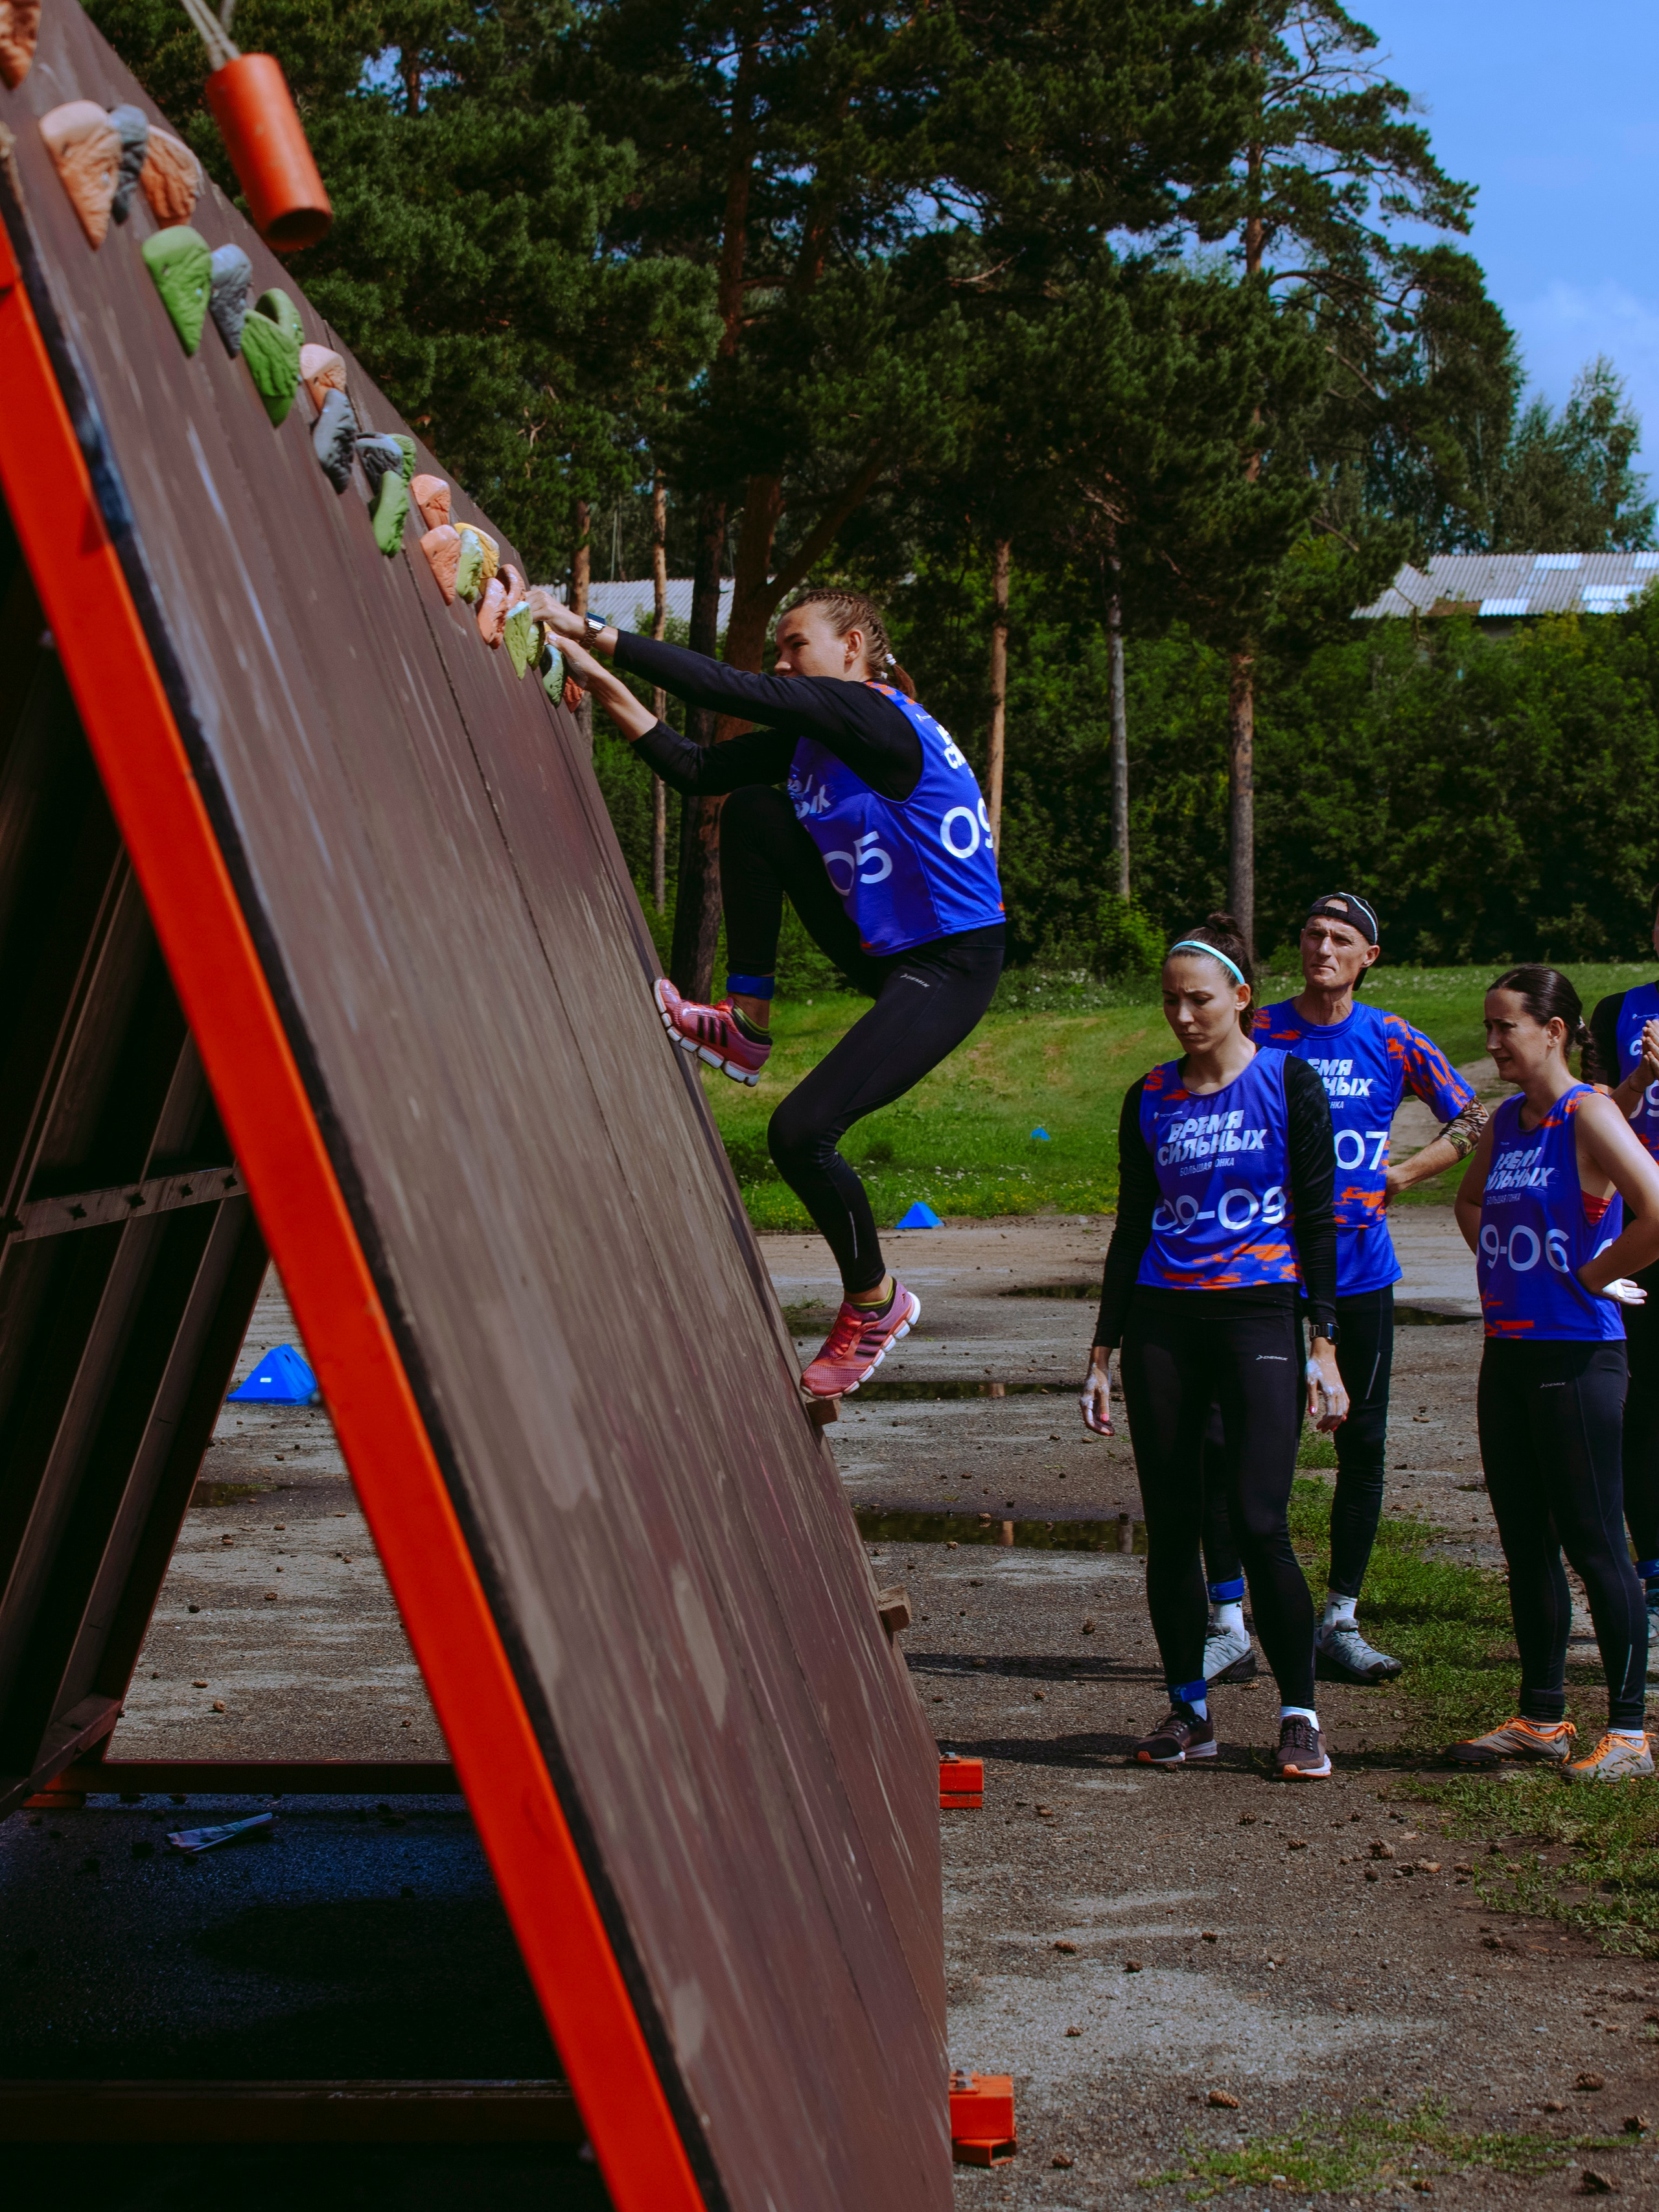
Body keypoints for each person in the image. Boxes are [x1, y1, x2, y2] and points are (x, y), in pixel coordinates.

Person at [524, 585, 1005, 1399]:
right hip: (881, 952)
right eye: (777, 651)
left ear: (852, 648)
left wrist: (594, 630)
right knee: (747, 808)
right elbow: (694, 765)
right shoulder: (816, 740)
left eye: (796, 646)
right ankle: (744, 1024)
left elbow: (728, 688)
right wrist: (587, 672)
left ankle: (876, 1302)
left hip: (950, 962)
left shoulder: (871, 715)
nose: (780, 663)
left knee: (801, 1133)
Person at [1080, 915, 1348, 1780]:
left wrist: (1325, 1341)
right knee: (1174, 1530)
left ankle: (1299, 1713)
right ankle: (1189, 1710)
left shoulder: (1287, 1081)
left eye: (1199, 999)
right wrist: (1102, 1350)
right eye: (1170, 1000)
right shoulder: (1150, 1094)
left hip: (1257, 1316)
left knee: (1263, 1521)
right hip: (1165, 1318)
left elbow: (1317, 1218)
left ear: (1241, 997)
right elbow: (1131, 1229)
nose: (1184, 1016)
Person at [1198, 892, 1487, 1689]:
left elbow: (1470, 1118)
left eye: (1340, 938)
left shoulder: (1390, 1036)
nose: (1321, 947)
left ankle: (1340, 1620)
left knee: (1360, 1443)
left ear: (1369, 956)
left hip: (1360, 1270)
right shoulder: (1261, 1030)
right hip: (1262, 1270)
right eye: (1310, 934)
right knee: (1230, 1440)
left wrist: (1398, 1174)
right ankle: (1227, 1622)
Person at [1448, 968, 1659, 1782]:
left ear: (1555, 1030)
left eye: (1506, 1027)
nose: (1493, 1041)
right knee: (1525, 1539)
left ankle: (1632, 1732)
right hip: (1509, 1352)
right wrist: (1508, 1269)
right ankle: (1542, 1716)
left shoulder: (1589, 1112)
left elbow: (1654, 1208)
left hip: (1579, 1356)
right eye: (1490, 1026)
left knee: (1596, 1540)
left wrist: (1593, 1271)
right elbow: (1470, 1205)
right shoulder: (1506, 1121)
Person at [1590, 896, 1659, 1636]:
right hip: (1640, 1234)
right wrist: (1639, 1076)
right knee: (1641, 1411)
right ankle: (1655, 1574)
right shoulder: (1620, 1010)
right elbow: (1594, 1114)